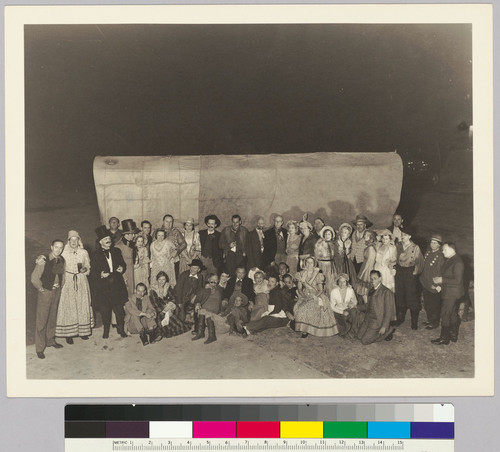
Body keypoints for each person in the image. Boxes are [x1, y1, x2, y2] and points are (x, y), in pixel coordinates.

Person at [55, 230, 94, 344]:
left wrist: (85, 269)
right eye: (71, 240)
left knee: (82, 304)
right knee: (69, 306)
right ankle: (69, 334)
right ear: (68, 241)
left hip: (81, 280)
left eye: (75, 240)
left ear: (79, 241)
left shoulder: (84, 252)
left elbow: (88, 265)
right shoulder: (63, 253)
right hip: (68, 280)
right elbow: (56, 262)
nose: (73, 242)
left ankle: (83, 331)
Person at [90, 226, 129, 339]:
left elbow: (123, 264)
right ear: (101, 242)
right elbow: (93, 271)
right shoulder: (95, 255)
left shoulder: (116, 251)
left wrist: (122, 268)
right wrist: (100, 275)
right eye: (105, 239)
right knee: (105, 310)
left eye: (109, 238)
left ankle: (121, 329)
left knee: (119, 310)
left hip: (117, 284)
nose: (108, 240)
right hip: (104, 287)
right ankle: (106, 330)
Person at [31, 239, 66, 359]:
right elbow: (34, 278)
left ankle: (50, 340)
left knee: (52, 318)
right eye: (56, 247)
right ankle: (40, 348)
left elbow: (63, 276)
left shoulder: (61, 260)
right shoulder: (44, 260)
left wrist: (59, 287)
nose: (58, 250)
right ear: (51, 247)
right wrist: (41, 289)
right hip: (45, 293)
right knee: (42, 320)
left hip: (56, 292)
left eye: (61, 247)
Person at [431, 242, 465, 345]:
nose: (443, 251)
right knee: (453, 313)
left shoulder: (457, 262)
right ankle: (453, 334)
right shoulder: (451, 259)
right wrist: (439, 286)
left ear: (451, 250)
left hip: (452, 293)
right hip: (450, 291)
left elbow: (457, 280)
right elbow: (449, 275)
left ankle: (444, 338)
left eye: (444, 249)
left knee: (445, 314)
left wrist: (441, 280)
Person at [293, 261, 337, 338]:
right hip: (305, 295)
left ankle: (311, 329)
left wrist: (314, 297)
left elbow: (321, 290)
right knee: (299, 308)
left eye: (311, 263)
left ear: (314, 264)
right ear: (305, 264)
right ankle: (304, 330)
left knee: (309, 308)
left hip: (317, 295)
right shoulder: (300, 274)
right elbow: (299, 289)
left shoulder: (318, 275)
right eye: (308, 263)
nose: (309, 264)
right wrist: (305, 297)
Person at [393, 228, 424, 329]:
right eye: (402, 234)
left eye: (405, 235)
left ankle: (414, 321)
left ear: (410, 236)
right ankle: (400, 318)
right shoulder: (398, 245)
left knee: (412, 296)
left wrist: (415, 272)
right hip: (399, 271)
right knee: (400, 294)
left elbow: (420, 262)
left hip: (410, 272)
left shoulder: (415, 248)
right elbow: (394, 258)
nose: (403, 236)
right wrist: (393, 267)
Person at [357, 270, 396, 345]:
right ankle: (373, 331)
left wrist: (384, 326)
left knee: (364, 341)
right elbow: (368, 305)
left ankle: (388, 331)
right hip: (368, 318)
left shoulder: (386, 292)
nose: (372, 281)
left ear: (380, 279)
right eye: (371, 279)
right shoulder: (371, 289)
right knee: (359, 336)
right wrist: (356, 307)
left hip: (377, 320)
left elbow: (388, 312)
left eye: (375, 278)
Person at [149, 271, 190, 338]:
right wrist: (166, 310)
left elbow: (173, 298)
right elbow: (155, 304)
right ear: (157, 280)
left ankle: (173, 325)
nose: (161, 282)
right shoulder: (153, 290)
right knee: (173, 321)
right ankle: (167, 329)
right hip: (159, 309)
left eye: (163, 279)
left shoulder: (168, 287)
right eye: (159, 279)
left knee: (175, 309)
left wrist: (170, 307)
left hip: (168, 306)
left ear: (166, 280)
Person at [191, 274, 229, 344]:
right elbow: (198, 299)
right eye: (212, 279)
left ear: (218, 281)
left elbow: (225, 297)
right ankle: (201, 333)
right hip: (205, 313)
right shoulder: (203, 289)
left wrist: (225, 301)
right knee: (203, 311)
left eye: (216, 280)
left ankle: (210, 336)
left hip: (215, 313)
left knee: (206, 313)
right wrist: (197, 304)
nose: (214, 281)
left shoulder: (220, 289)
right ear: (208, 280)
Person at [420, 234, 445, 330]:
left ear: (439, 245)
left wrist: (436, 285)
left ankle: (434, 322)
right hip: (425, 283)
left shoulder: (440, 256)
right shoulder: (428, 252)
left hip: (433, 285)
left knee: (434, 305)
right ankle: (430, 320)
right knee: (427, 304)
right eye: (431, 242)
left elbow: (440, 272)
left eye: (435, 243)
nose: (432, 244)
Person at [330, 273, 361, 338]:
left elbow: (355, 301)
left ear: (346, 282)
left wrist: (351, 305)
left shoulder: (350, 290)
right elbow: (332, 307)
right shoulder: (334, 291)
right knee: (345, 320)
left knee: (354, 311)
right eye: (340, 282)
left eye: (344, 282)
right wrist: (342, 312)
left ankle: (354, 330)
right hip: (338, 311)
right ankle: (346, 331)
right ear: (337, 282)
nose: (342, 284)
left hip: (348, 309)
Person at [158, 214, 187, 279]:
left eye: (170, 222)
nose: (169, 223)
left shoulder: (176, 232)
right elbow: (153, 244)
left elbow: (184, 244)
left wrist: (177, 251)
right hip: (160, 260)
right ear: (163, 221)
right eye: (167, 221)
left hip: (173, 260)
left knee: (173, 279)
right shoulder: (157, 232)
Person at [115, 219, 140, 297]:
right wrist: (124, 276)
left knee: (132, 292)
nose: (134, 236)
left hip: (131, 271)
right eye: (132, 234)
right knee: (126, 293)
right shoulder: (118, 246)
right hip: (125, 273)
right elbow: (116, 263)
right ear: (127, 234)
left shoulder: (131, 243)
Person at [333, 223, 358, 291]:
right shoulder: (337, 243)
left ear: (348, 234)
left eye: (345, 232)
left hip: (348, 264)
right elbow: (335, 254)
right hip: (339, 264)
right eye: (342, 232)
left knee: (349, 278)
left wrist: (347, 249)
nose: (343, 234)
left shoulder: (350, 242)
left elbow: (351, 255)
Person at [355, 230, 378, 304]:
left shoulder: (371, 248)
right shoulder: (369, 246)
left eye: (367, 235)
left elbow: (369, 262)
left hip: (367, 270)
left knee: (365, 291)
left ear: (371, 238)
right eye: (365, 235)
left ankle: (368, 307)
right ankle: (367, 306)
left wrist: (363, 272)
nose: (365, 236)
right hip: (365, 268)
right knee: (364, 292)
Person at [314, 225, 338, 293]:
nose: (327, 236)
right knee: (323, 280)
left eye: (329, 234)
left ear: (332, 235)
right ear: (323, 235)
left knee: (331, 281)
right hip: (322, 265)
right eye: (326, 234)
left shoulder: (333, 244)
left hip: (331, 265)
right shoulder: (320, 244)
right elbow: (316, 256)